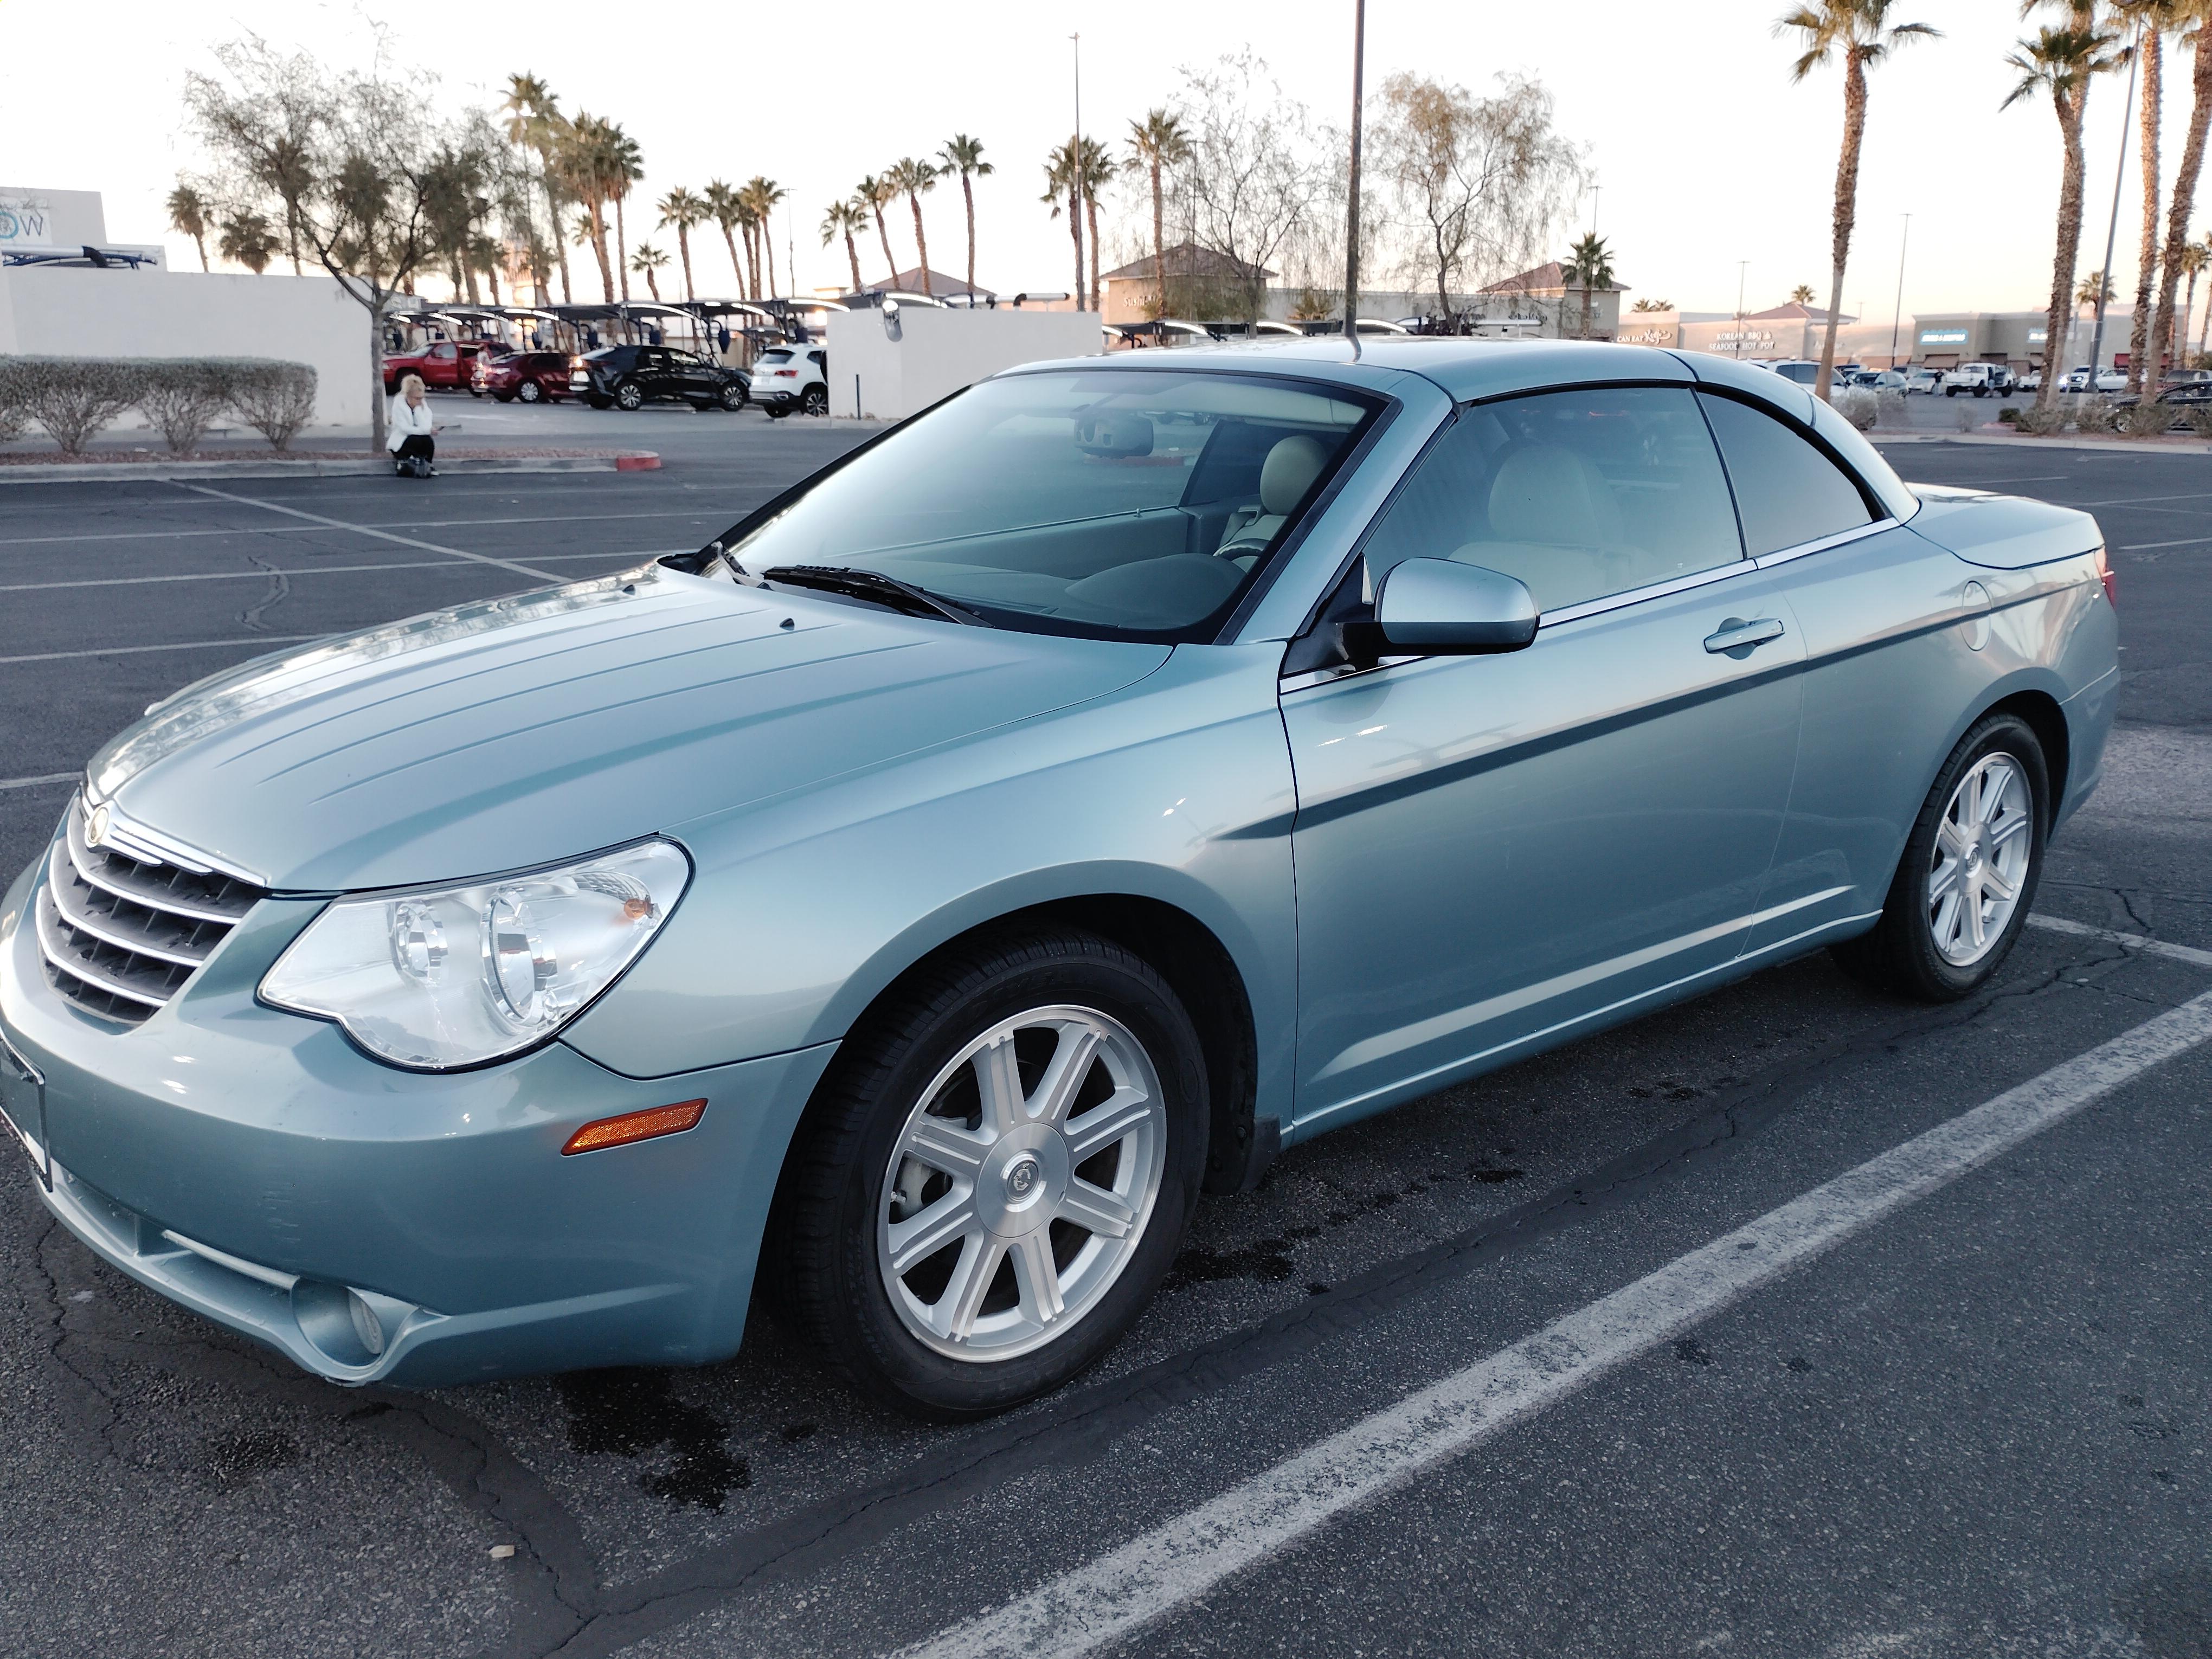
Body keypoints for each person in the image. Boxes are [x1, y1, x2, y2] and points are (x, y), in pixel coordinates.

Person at [387, 374, 438, 477]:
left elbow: (426, 425)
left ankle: (427, 465)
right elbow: (404, 429)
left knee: (427, 440)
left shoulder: (423, 406)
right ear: (408, 396)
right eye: (417, 398)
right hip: (401, 441)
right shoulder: (399, 405)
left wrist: (418, 411)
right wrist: (426, 431)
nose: (420, 401)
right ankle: (404, 461)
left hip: (418, 439)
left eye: (422, 398)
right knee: (415, 439)